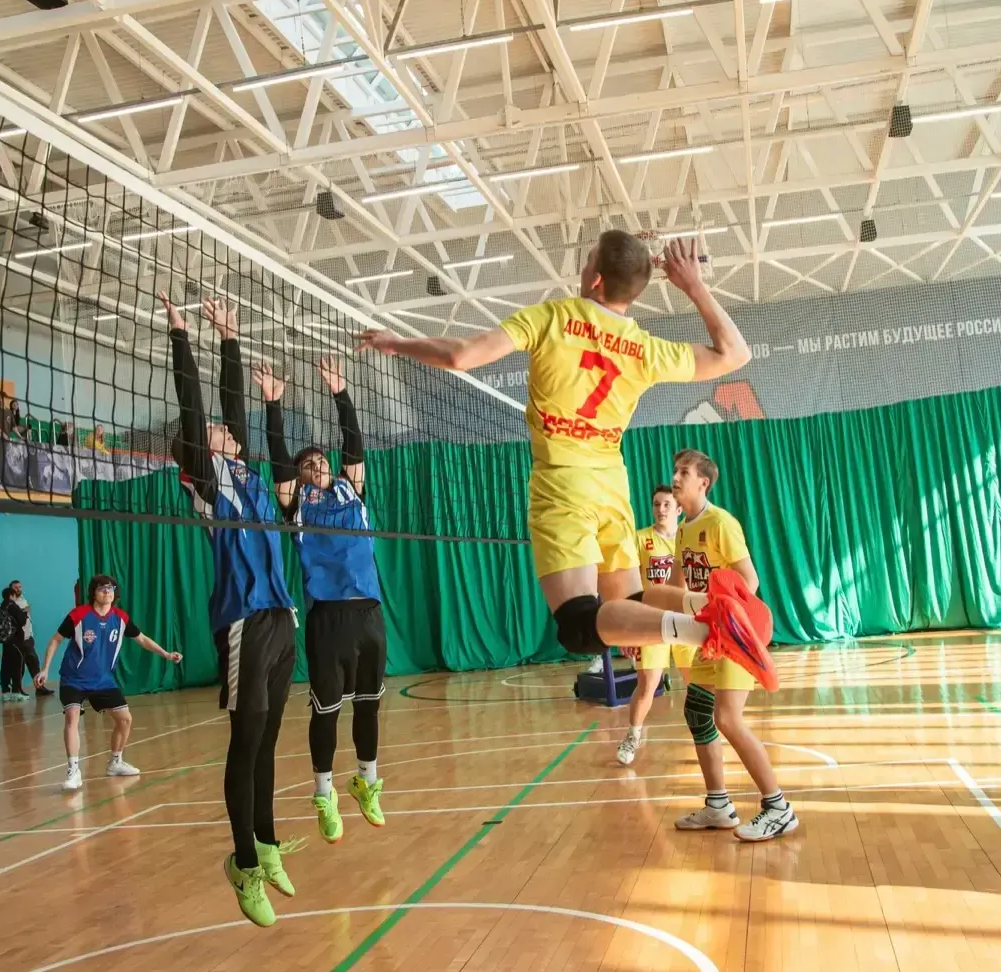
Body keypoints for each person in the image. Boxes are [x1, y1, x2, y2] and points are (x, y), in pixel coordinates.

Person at [357, 234, 775, 693]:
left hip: (562, 486)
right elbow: (736, 353)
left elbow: (461, 355)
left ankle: (705, 628)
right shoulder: (645, 347)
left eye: (587, 259)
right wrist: (693, 285)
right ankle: (706, 603)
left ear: (594, 278)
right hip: (612, 485)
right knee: (630, 604)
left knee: (579, 626)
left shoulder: (552, 317)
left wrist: (397, 344)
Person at [160, 291, 299, 928]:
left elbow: (233, 406)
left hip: (279, 615)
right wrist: (183, 334)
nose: (225, 430)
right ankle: (241, 862)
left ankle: (265, 842)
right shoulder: (206, 476)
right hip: (242, 620)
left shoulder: (245, 473)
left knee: (269, 739)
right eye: (218, 432)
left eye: (226, 431)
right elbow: (197, 408)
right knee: (246, 743)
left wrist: (231, 338)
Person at [255, 355, 387, 845]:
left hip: (369, 612)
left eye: (321, 462)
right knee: (326, 710)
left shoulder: (352, 490)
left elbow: (353, 444)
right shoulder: (297, 506)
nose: (317, 467)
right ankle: (324, 793)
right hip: (327, 618)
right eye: (307, 465)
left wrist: (340, 391)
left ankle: (367, 781)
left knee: (369, 706)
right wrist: (273, 405)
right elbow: (278, 459)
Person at [662, 450, 799, 841]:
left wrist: (725, 619)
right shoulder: (685, 529)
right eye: (675, 471)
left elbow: (749, 582)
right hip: (708, 636)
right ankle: (718, 806)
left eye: (683, 472)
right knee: (697, 713)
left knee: (728, 719)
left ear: (702, 483)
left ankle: (779, 808)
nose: (676, 477)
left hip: (735, 634)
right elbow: (677, 587)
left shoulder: (720, 523)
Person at [33, 574, 182, 791]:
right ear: (93, 592)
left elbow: (142, 639)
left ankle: (115, 762)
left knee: (125, 720)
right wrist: (45, 668)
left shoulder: (120, 618)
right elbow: (56, 639)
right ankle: (73, 770)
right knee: (72, 716)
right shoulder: (78, 615)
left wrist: (166, 654)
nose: (107, 592)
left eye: (111, 589)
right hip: (74, 678)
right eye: (102, 589)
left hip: (103, 681)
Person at [617, 484, 683, 766]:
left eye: (667, 504)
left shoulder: (689, 538)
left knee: (699, 685)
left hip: (685, 621)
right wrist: (627, 627)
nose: (661, 509)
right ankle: (633, 735)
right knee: (647, 686)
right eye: (657, 504)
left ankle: (707, 735)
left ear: (679, 508)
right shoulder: (640, 539)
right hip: (652, 623)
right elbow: (626, 582)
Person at [0, 586, 40, 700]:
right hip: (15, 640)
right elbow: (22, 621)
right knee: (17, 665)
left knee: (5, 666)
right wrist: (25, 612)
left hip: (6, 641)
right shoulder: (12, 605)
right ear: (11, 595)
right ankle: (17, 691)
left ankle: (5, 692)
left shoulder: (1, 606)